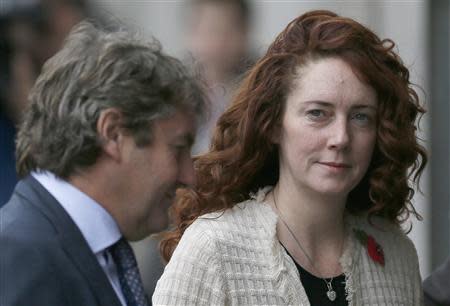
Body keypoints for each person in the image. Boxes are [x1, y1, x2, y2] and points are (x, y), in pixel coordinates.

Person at [153, 10, 427, 305]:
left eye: (361, 117)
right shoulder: (213, 251)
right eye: (317, 113)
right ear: (272, 125)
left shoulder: (396, 255)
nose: (340, 138)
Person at [0, 20, 206, 306]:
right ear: (113, 133)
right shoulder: (20, 255)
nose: (189, 176)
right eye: (178, 148)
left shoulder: (99, 251)